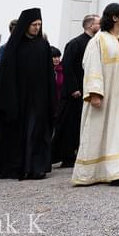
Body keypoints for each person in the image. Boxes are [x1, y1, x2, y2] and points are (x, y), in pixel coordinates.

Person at [73, 3, 119, 186]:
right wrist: (95, 93)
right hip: (102, 97)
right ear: (114, 18)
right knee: (98, 132)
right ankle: (92, 173)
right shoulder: (98, 40)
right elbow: (91, 65)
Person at [0, 8, 56, 179]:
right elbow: (6, 75)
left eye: (39, 25)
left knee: (36, 131)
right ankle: (16, 166)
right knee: (18, 133)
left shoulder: (43, 45)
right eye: (34, 24)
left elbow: (48, 74)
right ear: (26, 25)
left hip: (38, 99)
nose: (37, 28)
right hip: (18, 99)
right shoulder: (15, 47)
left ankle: (36, 167)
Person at [52, 14, 100, 167]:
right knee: (69, 126)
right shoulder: (75, 43)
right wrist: (73, 88)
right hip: (75, 92)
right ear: (90, 25)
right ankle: (66, 156)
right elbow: (67, 66)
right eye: (98, 23)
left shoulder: (95, 43)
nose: (100, 25)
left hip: (86, 90)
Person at [51, 46, 63, 117]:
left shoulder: (62, 70)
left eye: (58, 57)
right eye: (54, 57)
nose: (57, 59)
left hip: (59, 102)